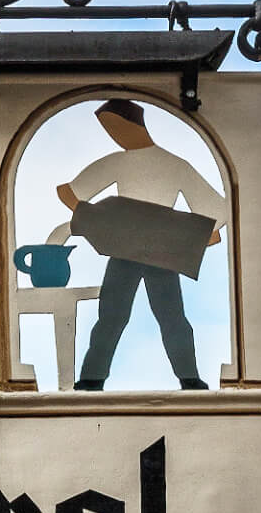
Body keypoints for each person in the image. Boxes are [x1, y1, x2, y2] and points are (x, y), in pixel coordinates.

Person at [57, 99, 227, 390]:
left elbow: (219, 211)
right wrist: (102, 221)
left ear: (134, 124)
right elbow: (68, 192)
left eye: (115, 127)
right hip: (124, 251)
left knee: (172, 318)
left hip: (162, 255)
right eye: (107, 129)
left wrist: (191, 238)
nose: (113, 135)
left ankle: (189, 378)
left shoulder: (175, 165)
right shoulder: (118, 161)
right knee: (111, 316)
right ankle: (91, 379)